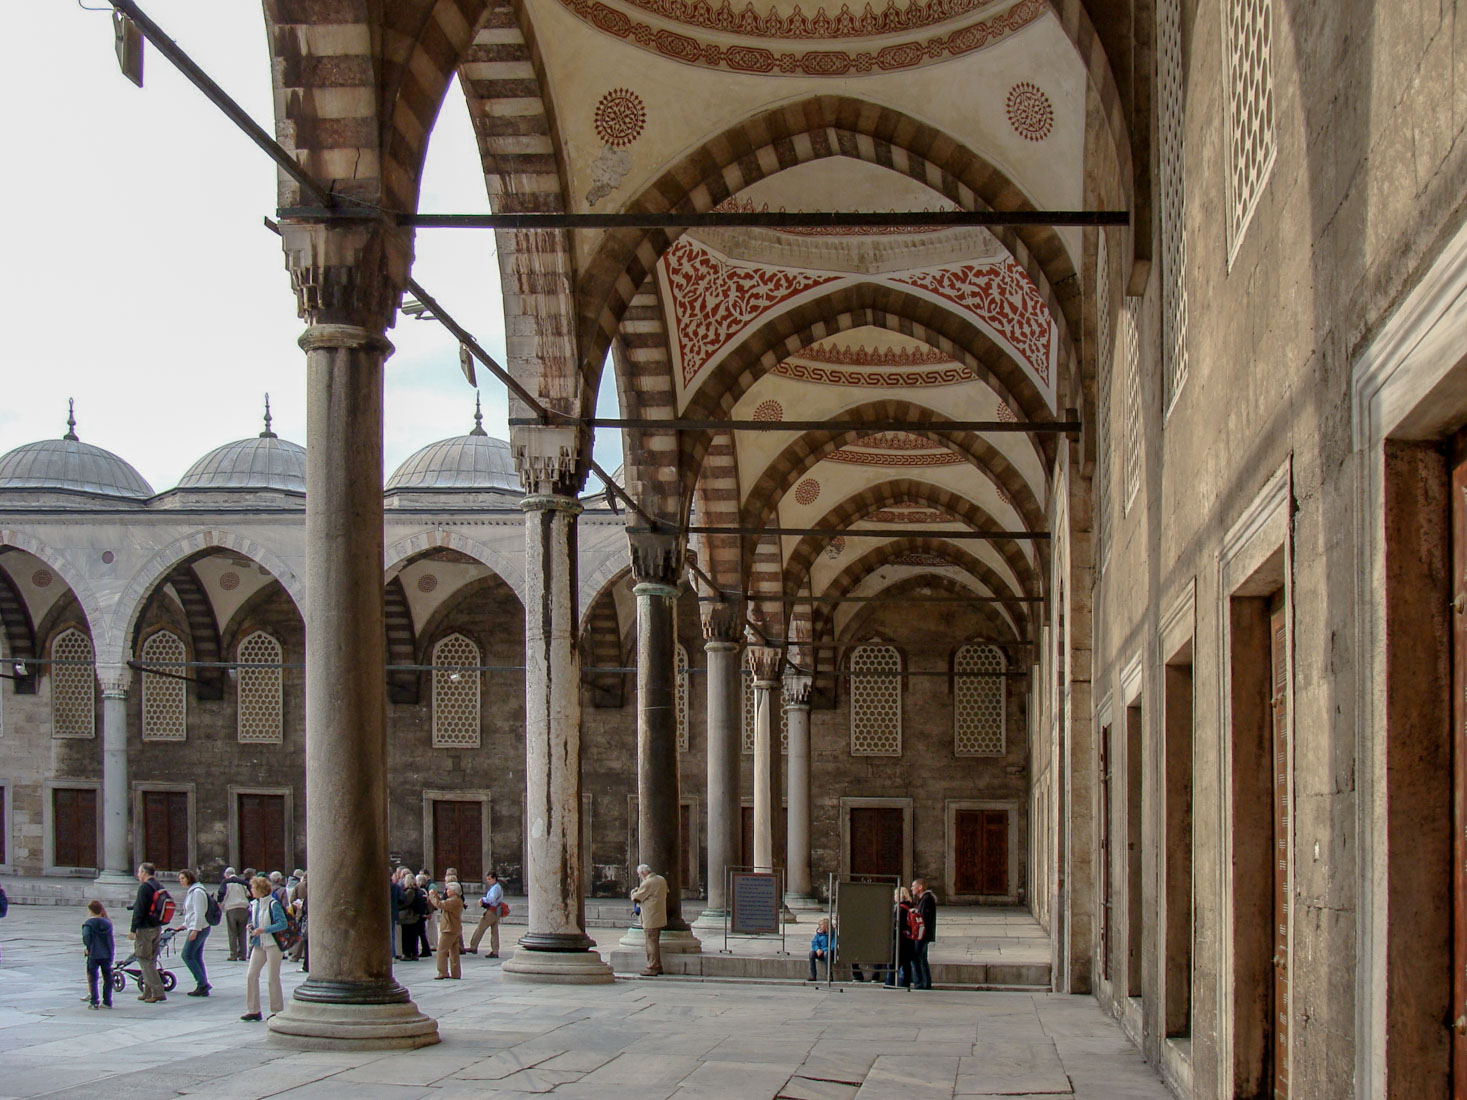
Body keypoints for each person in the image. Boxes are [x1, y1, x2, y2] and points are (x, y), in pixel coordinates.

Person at [242, 875, 287, 1022]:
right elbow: (254, 920)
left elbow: (282, 924)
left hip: (273, 944)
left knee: (272, 977)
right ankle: (253, 1009)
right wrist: (251, 926)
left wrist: (264, 930)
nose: (251, 890)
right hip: (259, 944)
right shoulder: (254, 904)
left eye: (253, 888)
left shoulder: (273, 904)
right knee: (251, 975)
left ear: (260, 889)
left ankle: (277, 1009)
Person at [129, 863, 167, 1003]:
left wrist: (133, 929)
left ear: (144, 872)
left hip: (145, 928)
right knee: (151, 959)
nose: (138, 875)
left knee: (144, 960)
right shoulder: (158, 886)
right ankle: (147, 991)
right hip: (157, 927)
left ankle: (158, 992)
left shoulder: (144, 887)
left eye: (139, 872)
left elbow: (139, 910)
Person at [174, 869, 212, 997]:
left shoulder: (197, 892)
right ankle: (203, 984)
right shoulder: (192, 891)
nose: (181, 881)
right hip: (197, 926)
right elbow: (191, 913)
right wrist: (185, 925)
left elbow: (199, 912)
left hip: (200, 928)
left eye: (183, 878)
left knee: (187, 955)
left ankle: (202, 983)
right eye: (179, 879)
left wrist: (195, 930)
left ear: (189, 878)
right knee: (196, 956)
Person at [630, 863, 668, 976]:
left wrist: (633, 891)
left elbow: (636, 898)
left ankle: (652, 967)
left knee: (651, 943)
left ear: (642, 873)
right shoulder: (661, 879)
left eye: (639, 874)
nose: (639, 877)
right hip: (659, 915)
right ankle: (658, 965)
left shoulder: (648, 882)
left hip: (650, 917)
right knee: (655, 942)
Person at [81, 900, 114, 1009]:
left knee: (93, 978)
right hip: (107, 953)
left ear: (90, 911)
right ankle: (107, 1001)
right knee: (107, 978)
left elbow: (86, 937)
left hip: (94, 953)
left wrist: (88, 947)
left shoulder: (89, 923)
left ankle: (94, 1001)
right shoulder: (108, 923)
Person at [428, 882, 465, 980]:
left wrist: (432, 895)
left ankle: (442, 971)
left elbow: (440, 904)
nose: (446, 891)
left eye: (448, 889)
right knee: (454, 951)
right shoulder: (456, 900)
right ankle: (456, 973)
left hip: (449, 929)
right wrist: (437, 896)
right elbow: (443, 902)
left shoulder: (454, 900)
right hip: (454, 928)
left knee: (441, 950)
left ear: (454, 891)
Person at [885, 886, 918, 990]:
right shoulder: (910, 907)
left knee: (893, 965)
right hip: (908, 940)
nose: (894, 896)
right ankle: (905, 984)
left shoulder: (900, 909)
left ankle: (890, 983)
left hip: (900, 941)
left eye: (895, 894)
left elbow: (897, 925)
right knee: (906, 965)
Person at [217, 867, 252, 961]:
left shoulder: (226, 882)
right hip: (243, 908)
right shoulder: (243, 882)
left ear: (226, 875)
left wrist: (220, 902)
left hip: (231, 908)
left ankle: (233, 954)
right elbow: (250, 894)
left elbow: (221, 892)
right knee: (242, 932)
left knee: (232, 932)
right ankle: (243, 954)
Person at [467, 870, 503, 958]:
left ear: (494, 879)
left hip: (492, 911)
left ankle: (473, 946)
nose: (488, 881)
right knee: (494, 931)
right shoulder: (496, 887)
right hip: (496, 911)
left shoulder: (495, 888)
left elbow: (491, 899)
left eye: (490, 879)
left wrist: (483, 899)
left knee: (481, 927)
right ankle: (495, 951)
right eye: (487, 879)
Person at [911, 878, 937, 991]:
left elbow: (924, 918)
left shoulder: (926, 899)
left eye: (914, 886)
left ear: (920, 887)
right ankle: (924, 982)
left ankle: (920, 982)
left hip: (922, 934)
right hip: (924, 933)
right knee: (922, 958)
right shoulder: (925, 899)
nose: (912, 888)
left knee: (917, 957)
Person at [398, 871, 422, 960]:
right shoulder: (417, 890)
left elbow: (406, 903)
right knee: (413, 936)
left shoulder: (410, 891)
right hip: (415, 916)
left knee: (407, 936)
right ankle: (414, 953)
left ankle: (407, 953)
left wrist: (399, 906)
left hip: (409, 916)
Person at [410, 873, 432, 960]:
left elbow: (422, 904)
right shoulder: (423, 890)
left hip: (421, 915)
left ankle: (426, 950)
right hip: (422, 914)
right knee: (422, 933)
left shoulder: (421, 891)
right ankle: (426, 949)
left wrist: (422, 914)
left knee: (421, 933)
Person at [807, 916, 834, 982]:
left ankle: (829, 975)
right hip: (820, 952)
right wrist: (817, 949)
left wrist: (823, 950)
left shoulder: (833, 934)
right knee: (811, 954)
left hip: (829, 952)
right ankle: (813, 975)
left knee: (826, 954)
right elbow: (814, 942)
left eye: (822, 925)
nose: (820, 926)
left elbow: (833, 945)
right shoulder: (818, 934)